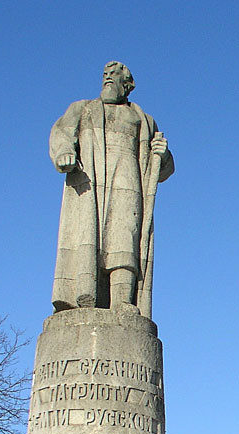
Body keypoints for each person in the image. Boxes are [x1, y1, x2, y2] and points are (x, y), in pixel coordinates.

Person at [50, 61, 175, 314]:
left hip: (128, 182)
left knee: (125, 237)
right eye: (105, 74)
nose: (108, 78)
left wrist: (164, 156)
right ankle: (85, 298)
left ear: (127, 85)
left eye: (115, 75)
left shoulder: (144, 119)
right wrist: (64, 151)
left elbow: (163, 171)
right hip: (90, 181)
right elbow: (61, 133)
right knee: (87, 238)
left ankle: (122, 300)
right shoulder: (83, 109)